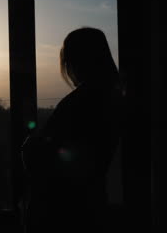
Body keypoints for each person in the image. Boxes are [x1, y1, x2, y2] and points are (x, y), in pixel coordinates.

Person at [21, 27, 123, 232]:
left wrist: (31, 146)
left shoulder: (81, 101)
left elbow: (52, 158)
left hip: (64, 212)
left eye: (68, 59)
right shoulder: (111, 96)